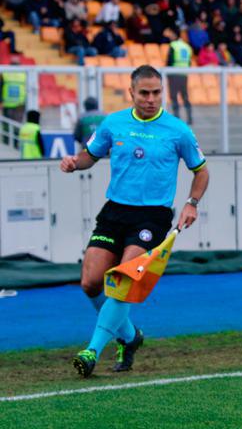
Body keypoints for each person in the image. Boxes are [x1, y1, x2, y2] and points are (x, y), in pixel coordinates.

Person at [59, 65, 209, 377]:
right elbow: (90, 155)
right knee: (90, 282)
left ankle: (92, 351)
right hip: (114, 211)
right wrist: (75, 163)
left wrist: (191, 203)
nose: (151, 99)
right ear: (132, 93)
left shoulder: (178, 130)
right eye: (144, 93)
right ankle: (129, 337)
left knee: (124, 279)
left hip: (152, 217)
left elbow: (201, 171)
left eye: (156, 93)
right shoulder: (113, 124)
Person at [164, 28, 194, 124]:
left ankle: (177, 118)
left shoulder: (173, 45)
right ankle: (190, 117)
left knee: (173, 96)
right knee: (185, 95)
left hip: (174, 73)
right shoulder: (187, 47)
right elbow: (189, 62)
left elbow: (170, 60)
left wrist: (167, 70)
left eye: (171, 34)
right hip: (184, 73)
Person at [1, 55, 27, 122]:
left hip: (8, 103)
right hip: (19, 104)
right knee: (17, 125)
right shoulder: (25, 73)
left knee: (7, 126)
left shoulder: (4, 72)